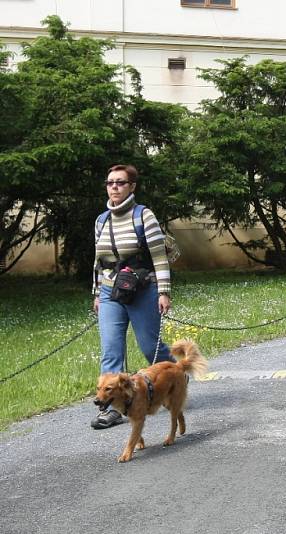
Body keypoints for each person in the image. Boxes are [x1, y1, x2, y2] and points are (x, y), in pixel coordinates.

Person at [91, 164, 173, 429]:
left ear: (132, 186)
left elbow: (159, 257)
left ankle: (174, 375)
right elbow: (98, 261)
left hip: (142, 289)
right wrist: (96, 294)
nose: (114, 187)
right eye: (110, 182)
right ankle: (112, 407)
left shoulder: (143, 216)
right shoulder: (101, 220)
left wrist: (163, 291)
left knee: (151, 347)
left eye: (120, 182)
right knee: (111, 349)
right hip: (109, 291)